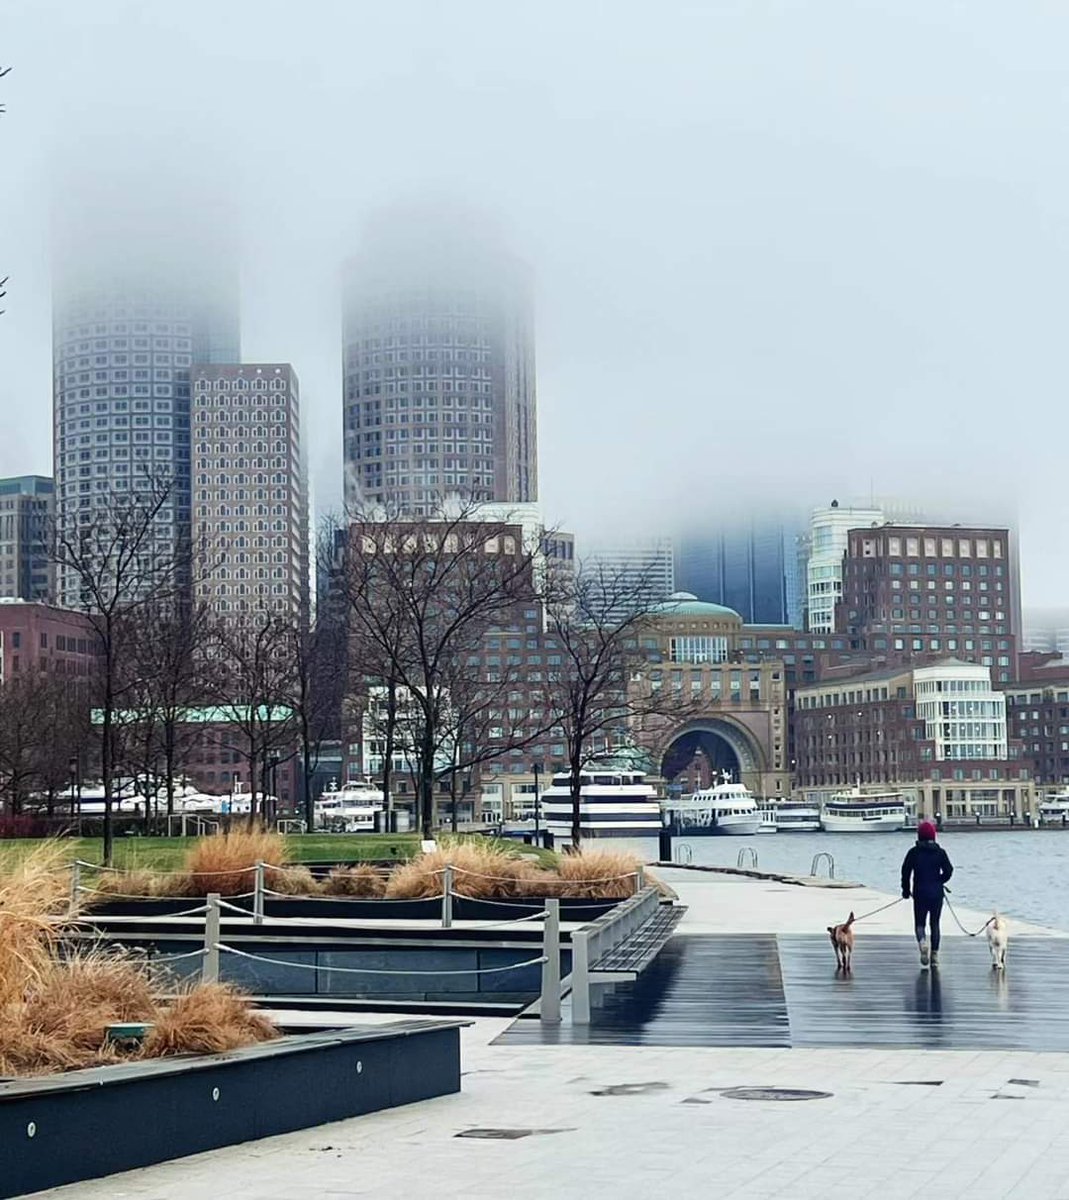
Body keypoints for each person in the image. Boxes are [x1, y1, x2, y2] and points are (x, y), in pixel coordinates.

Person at [901, 820, 953, 969]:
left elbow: (905, 872)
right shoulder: (940, 852)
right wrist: (940, 881)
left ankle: (923, 943)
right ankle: (935, 957)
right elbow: (949, 871)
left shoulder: (913, 852)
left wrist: (905, 890)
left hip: (920, 892)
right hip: (936, 893)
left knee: (920, 924)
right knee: (935, 924)